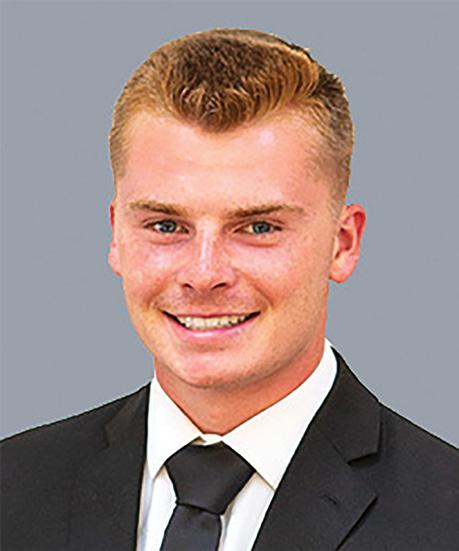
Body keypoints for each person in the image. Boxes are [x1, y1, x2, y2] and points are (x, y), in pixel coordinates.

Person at [1, 28, 458, 551]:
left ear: (343, 244)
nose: (203, 274)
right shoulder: (12, 488)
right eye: (165, 225)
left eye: (258, 227)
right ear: (116, 236)